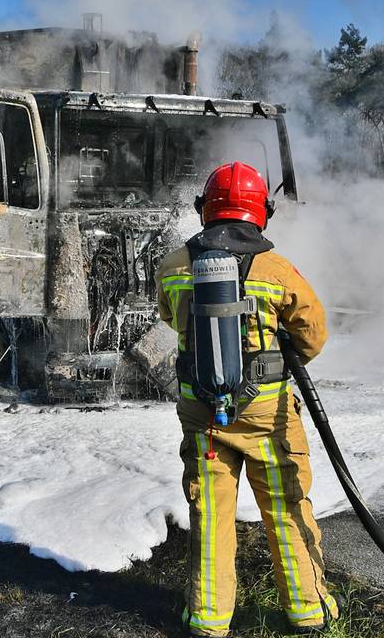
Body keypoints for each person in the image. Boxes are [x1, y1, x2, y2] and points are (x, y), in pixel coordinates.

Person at [155, 162, 336, 638]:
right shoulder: (277, 269)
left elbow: (172, 319)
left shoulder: (173, 264)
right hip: (267, 416)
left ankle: (208, 620)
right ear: (263, 212)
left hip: (202, 416)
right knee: (285, 505)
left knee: (210, 516)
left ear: (204, 211)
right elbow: (313, 336)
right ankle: (307, 611)